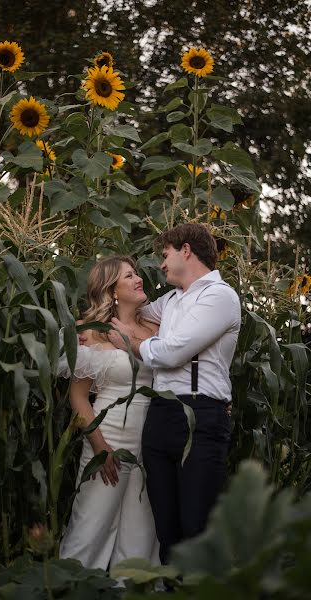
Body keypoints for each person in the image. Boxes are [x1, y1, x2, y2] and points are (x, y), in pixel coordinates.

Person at [107, 223, 241, 564]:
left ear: (186, 250)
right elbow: (131, 312)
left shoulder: (219, 297)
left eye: (164, 255)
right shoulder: (170, 300)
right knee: (166, 533)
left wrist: (127, 340)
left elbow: (170, 353)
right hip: (160, 417)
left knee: (195, 529)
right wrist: (99, 318)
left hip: (201, 416)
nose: (161, 265)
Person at [59, 256, 160, 570]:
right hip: (109, 435)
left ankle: (132, 590)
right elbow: (78, 398)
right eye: (129, 276)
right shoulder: (89, 332)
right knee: (91, 525)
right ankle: (72, 587)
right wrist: (100, 447)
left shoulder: (155, 327)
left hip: (151, 442)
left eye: (135, 273)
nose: (138, 278)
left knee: (141, 534)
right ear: (111, 290)